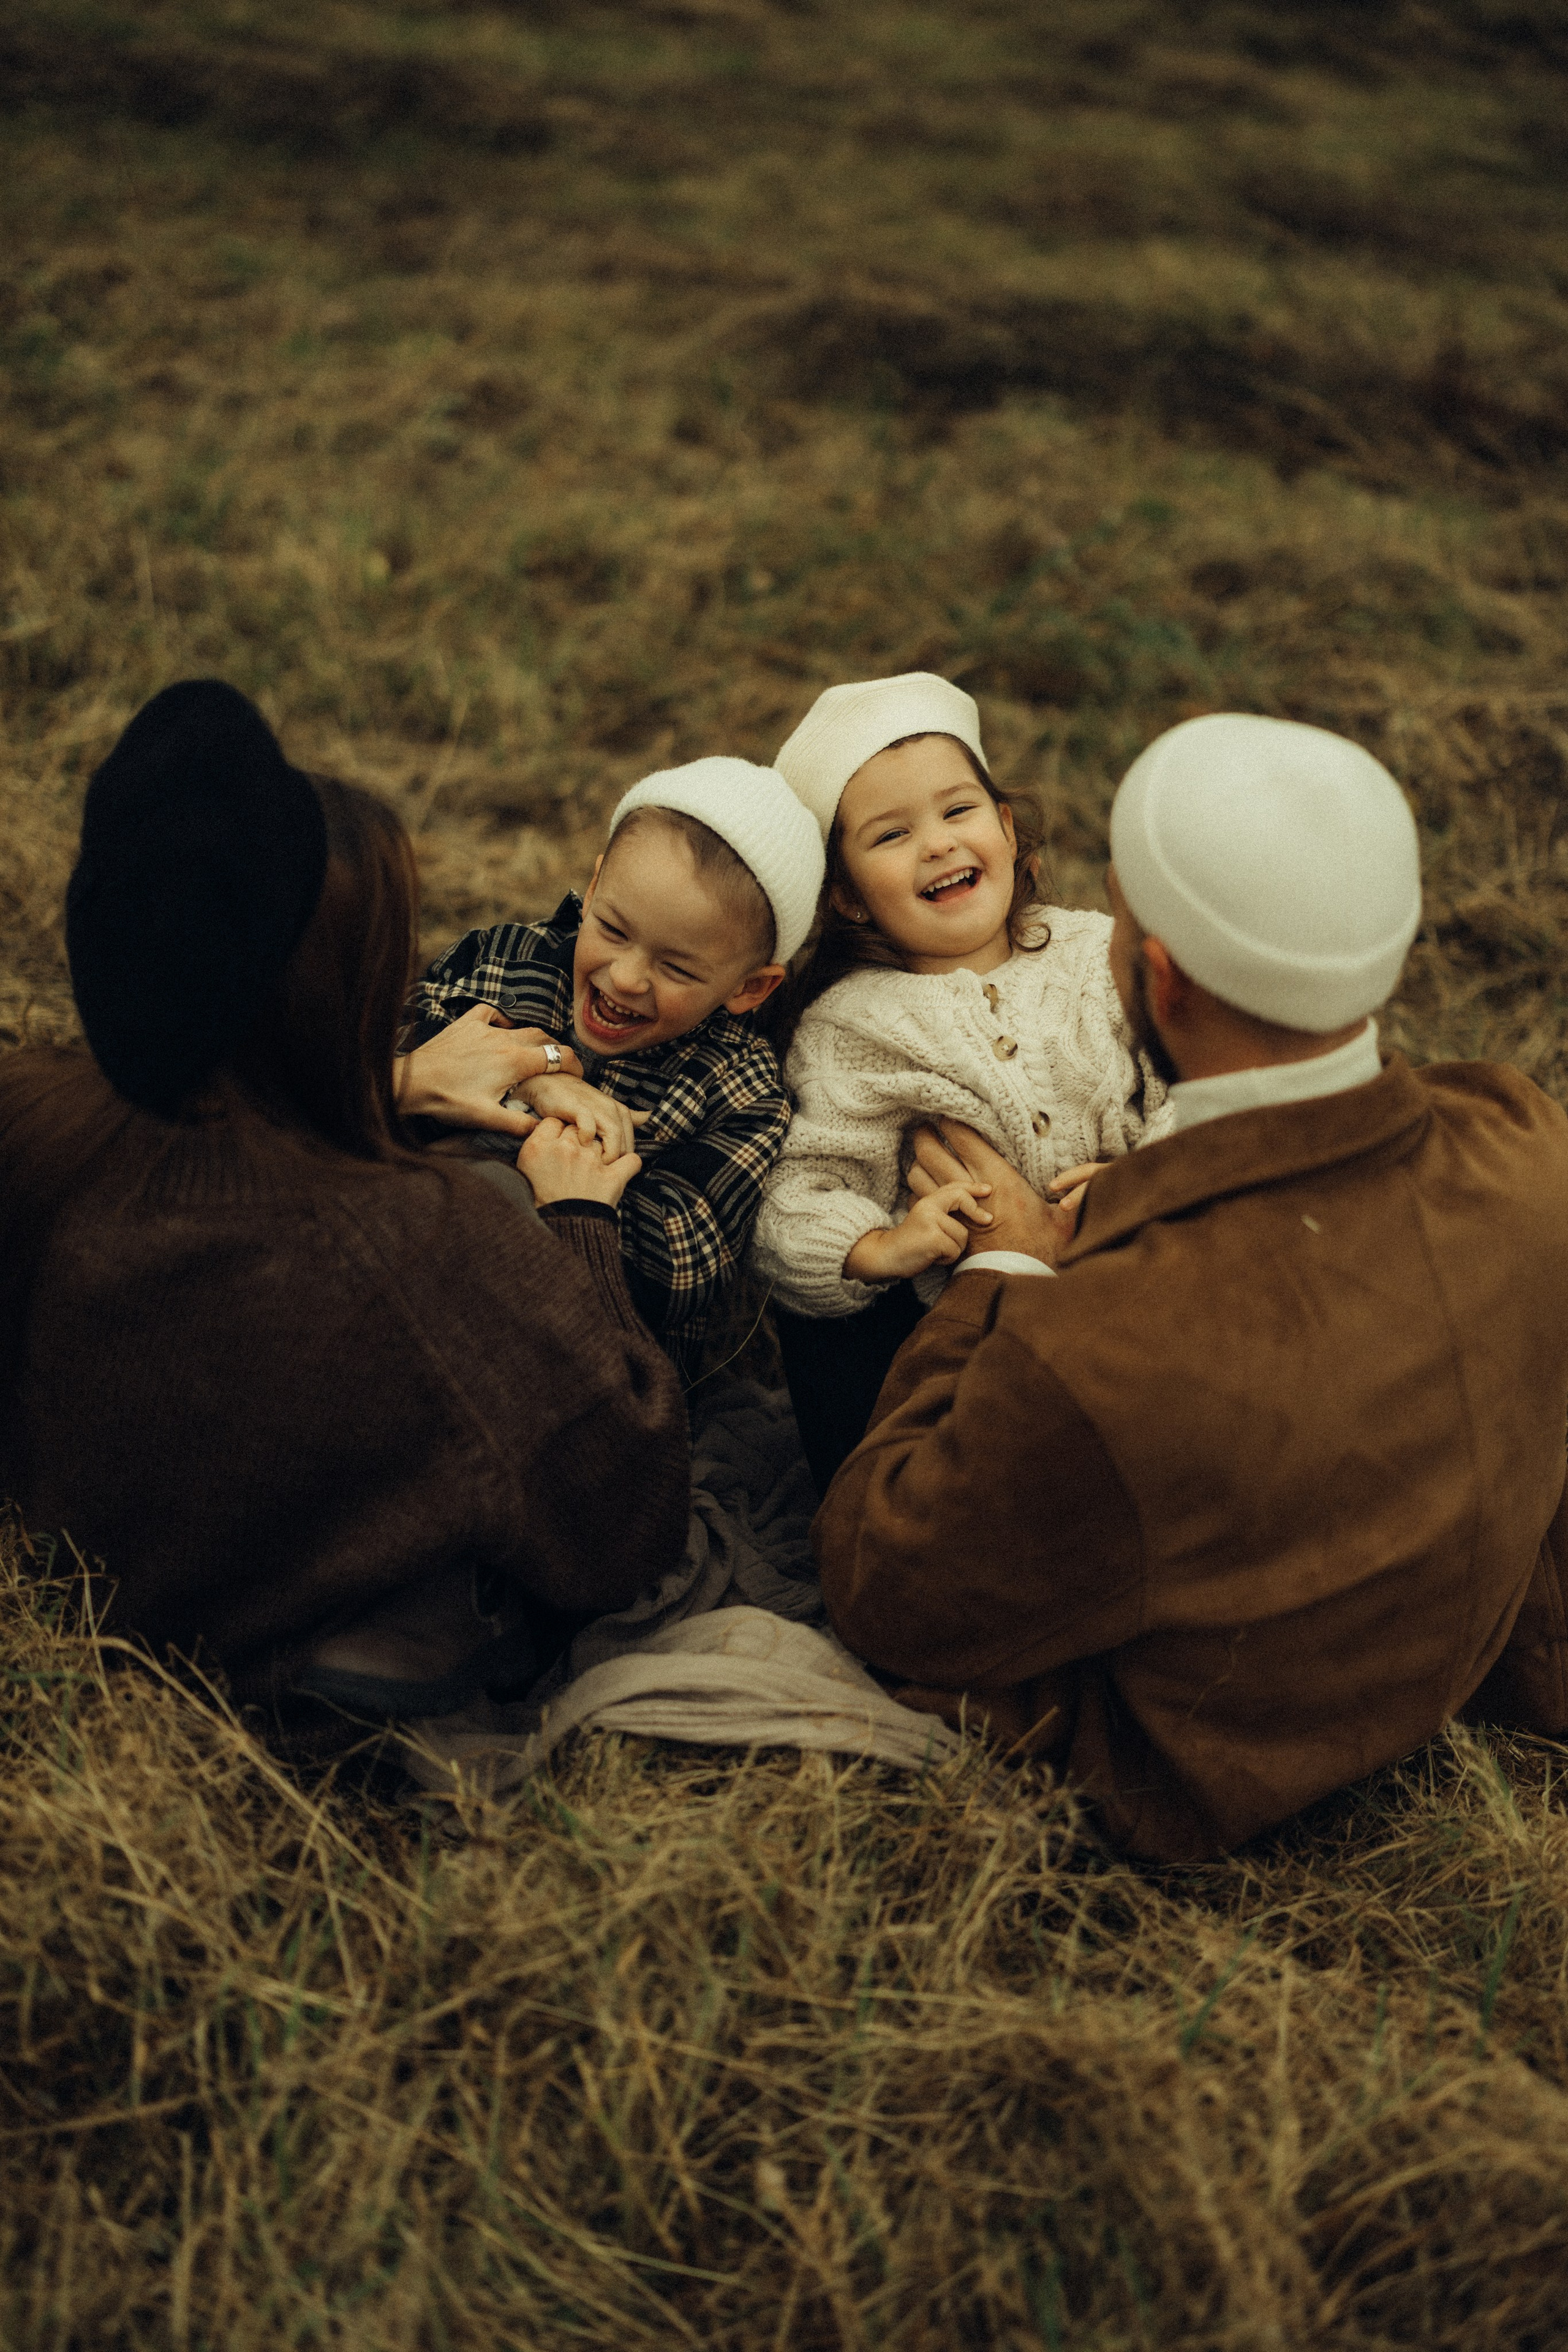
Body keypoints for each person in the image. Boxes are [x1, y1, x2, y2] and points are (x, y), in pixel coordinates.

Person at [813, 711, 1568, 1862]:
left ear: (1155, 973)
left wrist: (1006, 1264)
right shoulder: (1529, 1145)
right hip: (1451, 1653)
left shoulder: (1099, 1344)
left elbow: (887, 1586)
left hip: (1211, 1761)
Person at [0, 680, 691, 1716]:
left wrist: (389, 1087)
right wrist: (579, 1219)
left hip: (117, 1541)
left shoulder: (38, 1122)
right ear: (337, 999)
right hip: (275, 1615)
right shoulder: (417, 1246)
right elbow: (627, 1508)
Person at [751, 672, 1169, 1495]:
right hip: (968, 1338)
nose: (938, 844)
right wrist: (879, 1247)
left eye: (957, 811)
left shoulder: (1097, 953)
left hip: (1139, 1278)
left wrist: (1150, 1177)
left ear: (1008, 831)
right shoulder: (851, 1027)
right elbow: (801, 1190)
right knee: (841, 1337)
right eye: (892, 835)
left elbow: (1197, 1082)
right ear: (849, 898)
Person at [399, 757, 824, 1378]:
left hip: (564, 1354)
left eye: (677, 969)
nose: (625, 977)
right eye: (613, 929)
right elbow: (384, 1049)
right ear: (594, 888)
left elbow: (682, 1271)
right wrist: (529, 1075)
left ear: (750, 988)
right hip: (405, 1254)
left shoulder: (740, 1091)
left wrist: (573, 1188)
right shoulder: (506, 959)